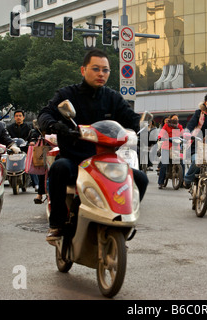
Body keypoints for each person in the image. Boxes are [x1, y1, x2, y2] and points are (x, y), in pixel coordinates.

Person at [38, 48, 148, 241]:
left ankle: (126, 221)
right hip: (75, 160)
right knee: (58, 168)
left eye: (105, 70)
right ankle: (56, 224)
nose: (101, 74)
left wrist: (144, 126)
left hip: (106, 161)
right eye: (95, 69)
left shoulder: (112, 97)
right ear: (83, 70)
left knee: (140, 179)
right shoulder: (67, 94)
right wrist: (54, 125)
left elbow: (130, 118)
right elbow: (45, 114)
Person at [6, 109, 39, 192]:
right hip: (13, 150)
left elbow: (33, 136)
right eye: (16, 116)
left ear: (23, 117)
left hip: (25, 149)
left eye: (20, 116)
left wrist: (32, 142)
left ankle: (36, 184)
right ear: (14, 117)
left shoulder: (29, 127)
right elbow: (6, 138)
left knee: (30, 164)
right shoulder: (9, 128)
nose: (18, 117)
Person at [157, 114, 184, 189]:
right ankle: (161, 182)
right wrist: (160, 137)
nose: (175, 120)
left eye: (177, 119)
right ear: (170, 119)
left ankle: (182, 181)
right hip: (166, 147)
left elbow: (183, 134)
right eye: (174, 118)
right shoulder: (166, 126)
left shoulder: (179, 127)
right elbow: (161, 133)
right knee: (164, 164)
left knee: (182, 163)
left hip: (176, 148)